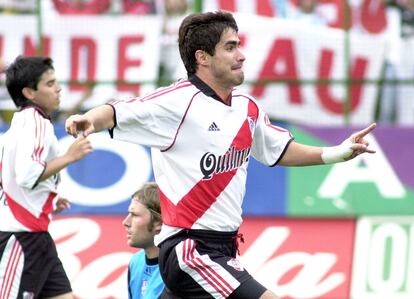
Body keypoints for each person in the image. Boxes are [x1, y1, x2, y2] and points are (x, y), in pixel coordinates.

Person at [65, 11, 376, 299]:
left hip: (224, 248)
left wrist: (339, 152)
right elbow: (118, 111)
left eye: (238, 46)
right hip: (190, 250)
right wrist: (90, 119)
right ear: (203, 57)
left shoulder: (246, 107)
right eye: (230, 47)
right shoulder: (176, 102)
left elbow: (279, 150)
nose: (241, 55)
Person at [0, 56, 93, 299]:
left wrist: (48, 201)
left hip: (36, 237)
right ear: (29, 92)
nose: (59, 88)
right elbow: (27, 175)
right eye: (50, 83)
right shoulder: (36, 123)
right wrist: (69, 157)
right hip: (21, 239)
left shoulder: (21, 124)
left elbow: (14, 182)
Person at [123, 182, 164, 299]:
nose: (125, 222)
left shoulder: (180, 269)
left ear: (159, 222)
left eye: (134, 215)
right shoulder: (136, 262)